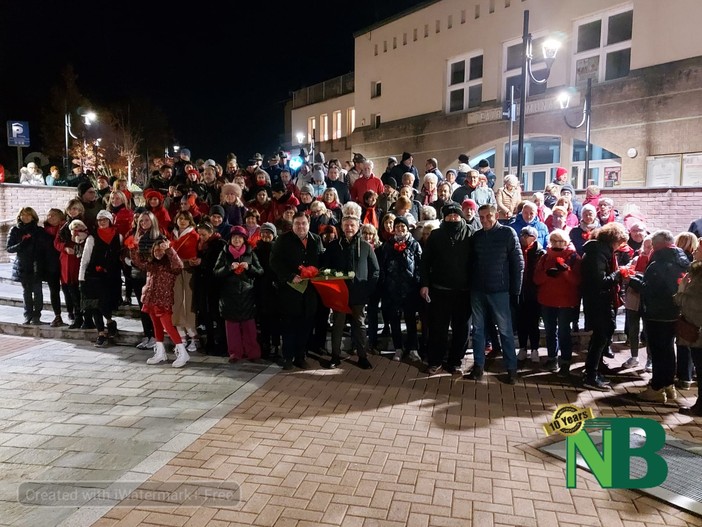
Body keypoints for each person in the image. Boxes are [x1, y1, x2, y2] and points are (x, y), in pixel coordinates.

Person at [464, 204, 524, 384]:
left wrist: (516, 291)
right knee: (478, 331)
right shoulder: (477, 236)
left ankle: (511, 370)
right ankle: (478, 367)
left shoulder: (508, 233)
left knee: (505, 331)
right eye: (481, 217)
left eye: (488, 216)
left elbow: (518, 263)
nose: (484, 220)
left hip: (500, 290)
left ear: (496, 215)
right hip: (478, 290)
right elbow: (471, 263)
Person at [637, 230, 690, 403]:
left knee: (659, 351)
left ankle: (657, 388)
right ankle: (668, 385)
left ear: (658, 244)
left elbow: (653, 290)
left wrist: (636, 282)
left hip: (657, 313)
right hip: (674, 311)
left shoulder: (659, 262)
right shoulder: (682, 259)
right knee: (668, 350)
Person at [420, 203, 473, 374]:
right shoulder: (435, 235)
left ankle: (455, 361)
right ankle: (435, 361)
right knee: (438, 329)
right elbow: (425, 262)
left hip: (464, 292)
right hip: (439, 290)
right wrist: (425, 283)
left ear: (461, 216)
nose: (452, 218)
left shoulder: (471, 234)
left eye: (455, 215)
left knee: (462, 330)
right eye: (449, 215)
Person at [270, 212, 325, 370]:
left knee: (306, 325)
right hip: (290, 291)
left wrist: (319, 272)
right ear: (292, 225)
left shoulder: (316, 240)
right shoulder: (283, 240)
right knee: (289, 326)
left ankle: (300, 356)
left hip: (310, 292)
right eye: (297, 224)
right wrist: (289, 276)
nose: (301, 226)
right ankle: (288, 357)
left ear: (308, 224)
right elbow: (274, 262)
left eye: (303, 223)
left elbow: (321, 260)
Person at [323, 214, 378, 369]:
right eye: (346, 225)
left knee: (359, 325)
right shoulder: (334, 246)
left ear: (358, 227)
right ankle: (335, 356)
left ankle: (362, 356)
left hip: (358, 293)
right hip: (339, 294)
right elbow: (325, 267)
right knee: (338, 324)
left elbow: (375, 271)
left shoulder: (366, 247)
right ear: (341, 226)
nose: (349, 228)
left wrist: (367, 289)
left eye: (352, 225)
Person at [580, 222, 629, 391]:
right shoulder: (598, 253)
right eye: (619, 243)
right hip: (598, 301)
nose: (620, 247)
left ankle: (595, 369)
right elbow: (599, 281)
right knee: (601, 336)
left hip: (599, 300)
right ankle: (591, 375)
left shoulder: (599, 250)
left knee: (602, 336)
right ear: (612, 240)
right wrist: (618, 274)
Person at [134, 236, 189, 367]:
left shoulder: (170, 264)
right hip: (151, 299)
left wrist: (169, 249)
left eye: (161, 250)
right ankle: (160, 351)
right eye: (156, 250)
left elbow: (179, 266)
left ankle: (182, 352)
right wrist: (133, 248)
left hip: (163, 300)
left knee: (168, 326)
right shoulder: (151, 265)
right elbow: (138, 263)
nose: (158, 252)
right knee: (156, 326)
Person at [534, 229, 582, 374]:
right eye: (554, 241)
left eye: (561, 241)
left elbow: (577, 280)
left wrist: (565, 271)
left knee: (564, 332)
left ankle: (565, 361)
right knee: (550, 332)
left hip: (565, 302)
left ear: (566, 242)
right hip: (548, 300)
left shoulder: (574, 258)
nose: (557, 244)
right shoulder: (544, 257)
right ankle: (552, 358)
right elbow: (536, 279)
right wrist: (548, 274)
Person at [214, 225, 264, 362]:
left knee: (249, 327)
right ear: (230, 239)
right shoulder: (224, 253)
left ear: (244, 240)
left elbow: (260, 271)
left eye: (239, 238)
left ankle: (253, 353)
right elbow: (216, 272)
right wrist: (229, 268)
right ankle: (235, 353)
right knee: (232, 327)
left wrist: (250, 267)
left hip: (247, 296)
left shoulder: (250, 253)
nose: (237, 240)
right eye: (234, 237)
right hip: (229, 296)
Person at [379, 215, 422, 362]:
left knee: (410, 320)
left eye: (402, 226)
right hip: (392, 289)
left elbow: (419, 265)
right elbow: (382, 266)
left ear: (407, 227)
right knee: (394, 320)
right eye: (397, 226)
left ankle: (413, 349)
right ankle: (398, 348)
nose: (400, 228)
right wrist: (385, 284)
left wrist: (416, 282)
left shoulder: (414, 244)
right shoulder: (387, 245)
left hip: (410, 289)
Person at [78, 210, 123, 347]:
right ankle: (101, 333)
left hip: (111, 276)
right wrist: (81, 276)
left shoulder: (118, 237)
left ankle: (109, 321)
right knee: (95, 305)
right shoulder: (92, 238)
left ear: (110, 221)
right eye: (99, 220)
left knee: (105, 303)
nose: (102, 222)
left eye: (104, 219)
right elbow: (85, 258)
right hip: (93, 275)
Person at [674, 237, 702, 415]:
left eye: (699, 248)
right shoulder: (696, 271)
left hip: (698, 328)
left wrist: (679, 297)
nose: (695, 250)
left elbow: (694, 301)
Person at [7, 207, 49, 324]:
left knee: (37, 291)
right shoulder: (15, 230)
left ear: (33, 217)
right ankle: (28, 315)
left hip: (36, 264)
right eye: (23, 215)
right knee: (26, 291)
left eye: (28, 215)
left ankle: (37, 316)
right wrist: (21, 244)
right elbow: (9, 248)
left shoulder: (39, 230)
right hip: (23, 265)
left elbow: (44, 247)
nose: (25, 217)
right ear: (19, 216)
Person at [170, 211, 200, 354]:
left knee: (188, 302)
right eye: (180, 218)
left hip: (188, 271)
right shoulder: (171, 235)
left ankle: (193, 337)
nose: (182, 221)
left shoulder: (194, 235)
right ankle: (181, 337)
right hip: (174, 272)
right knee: (176, 302)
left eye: (185, 219)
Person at [515, 226, 546, 364]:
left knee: (533, 322)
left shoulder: (540, 253)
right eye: (522, 235)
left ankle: (534, 349)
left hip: (534, 292)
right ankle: (522, 348)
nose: (523, 238)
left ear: (534, 237)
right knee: (521, 322)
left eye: (527, 235)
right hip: (520, 291)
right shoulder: (516, 250)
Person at [43, 208, 68, 327]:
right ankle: (57, 316)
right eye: (48, 215)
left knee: (68, 290)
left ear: (60, 217)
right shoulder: (44, 231)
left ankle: (73, 313)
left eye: (53, 215)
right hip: (50, 264)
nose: (50, 218)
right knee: (54, 291)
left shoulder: (66, 228)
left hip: (65, 263)